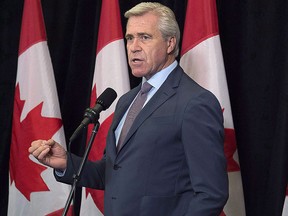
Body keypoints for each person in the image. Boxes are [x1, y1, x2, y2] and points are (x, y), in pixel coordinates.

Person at [29, 2, 228, 215]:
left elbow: (211, 193)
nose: (134, 46)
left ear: (170, 43)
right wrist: (66, 162)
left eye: (145, 37)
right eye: (129, 38)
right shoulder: (127, 100)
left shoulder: (196, 103)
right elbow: (113, 172)